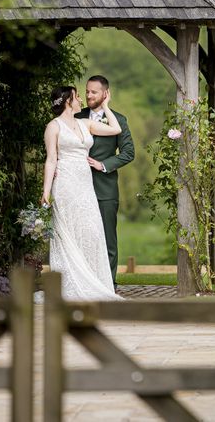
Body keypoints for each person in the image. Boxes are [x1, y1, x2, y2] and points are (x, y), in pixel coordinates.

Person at [41, 86, 123, 301]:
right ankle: (69, 283)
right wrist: (46, 191)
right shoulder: (53, 127)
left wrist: (106, 105)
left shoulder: (85, 123)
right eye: (77, 96)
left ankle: (94, 281)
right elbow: (51, 160)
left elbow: (115, 129)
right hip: (66, 184)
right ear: (68, 101)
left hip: (85, 186)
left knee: (91, 233)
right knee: (69, 232)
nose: (81, 100)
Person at [74, 75, 135, 290]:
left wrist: (103, 164)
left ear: (105, 94)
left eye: (94, 92)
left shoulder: (119, 119)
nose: (89, 95)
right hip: (77, 187)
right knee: (80, 236)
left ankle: (109, 284)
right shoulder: (76, 117)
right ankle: (84, 282)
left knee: (108, 237)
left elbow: (128, 153)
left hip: (105, 187)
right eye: (87, 91)